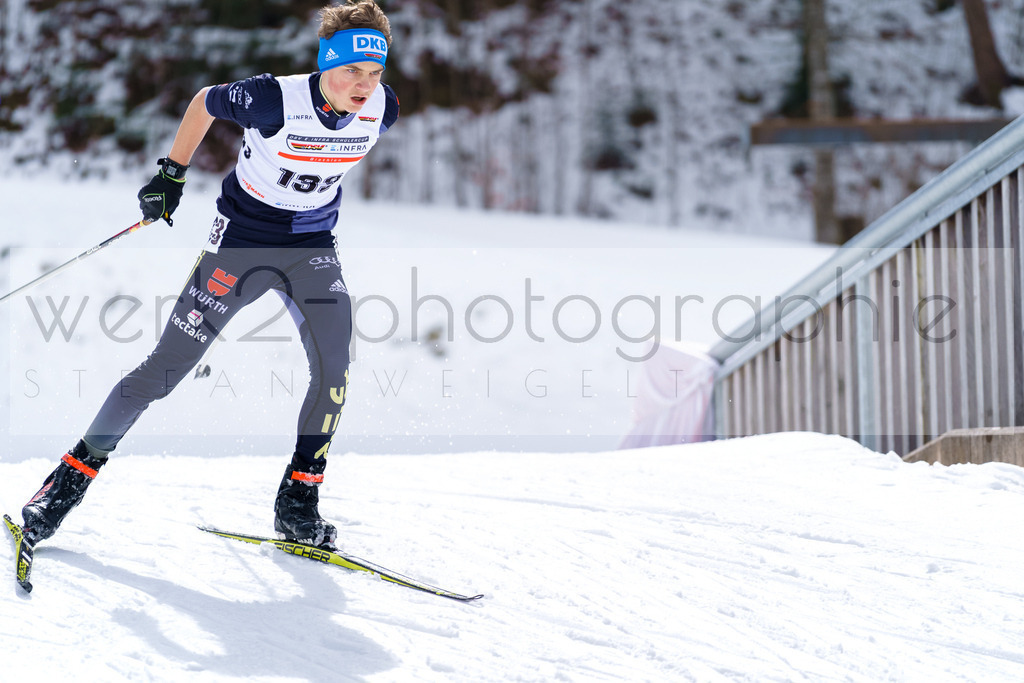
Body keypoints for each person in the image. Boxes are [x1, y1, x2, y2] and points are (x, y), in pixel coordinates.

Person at [18, 0, 398, 551]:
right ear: (324, 65)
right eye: (350, 71)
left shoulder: (383, 107)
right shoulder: (273, 98)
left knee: (335, 368)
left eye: (374, 72)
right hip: (239, 249)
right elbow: (204, 102)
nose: (364, 85)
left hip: (312, 248)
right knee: (165, 371)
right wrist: (170, 173)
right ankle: (64, 486)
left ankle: (298, 503)